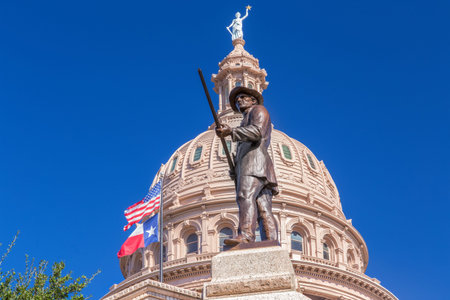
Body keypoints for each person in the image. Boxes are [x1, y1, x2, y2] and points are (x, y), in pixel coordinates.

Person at [215, 86, 279, 246]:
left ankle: (246, 235)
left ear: (253, 100)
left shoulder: (258, 110)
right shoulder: (245, 120)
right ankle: (270, 241)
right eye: (237, 100)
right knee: (263, 207)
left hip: (254, 165)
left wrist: (231, 132)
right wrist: (235, 170)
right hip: (257, 167)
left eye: (243, 97)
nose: (239, 101)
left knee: (244, 196)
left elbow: (257, 132)